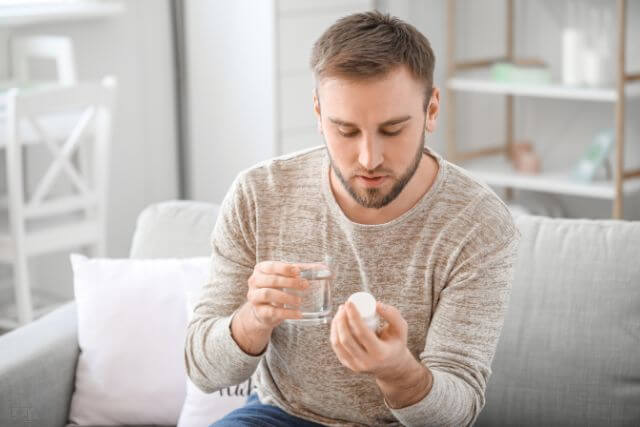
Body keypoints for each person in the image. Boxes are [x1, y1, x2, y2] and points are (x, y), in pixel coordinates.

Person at [185, 11, 520, 427]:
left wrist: (398, 372)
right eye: (345, 131)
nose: (369, 158)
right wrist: (253, 319)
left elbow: (455, 413)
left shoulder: (477, 224)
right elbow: (203, 370)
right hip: (281, 417)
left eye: (393, 130)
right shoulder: (260, 194)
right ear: (317, 111)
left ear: (431, 109)